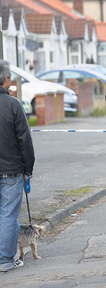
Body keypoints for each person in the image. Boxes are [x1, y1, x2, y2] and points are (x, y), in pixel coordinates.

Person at [0, 59, 35, 271]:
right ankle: (5, 260)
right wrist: (28, 169)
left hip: (10, 169)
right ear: (5, 79)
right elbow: (25, 140)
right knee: (8, 215)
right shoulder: (13, 105)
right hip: (11, 171)